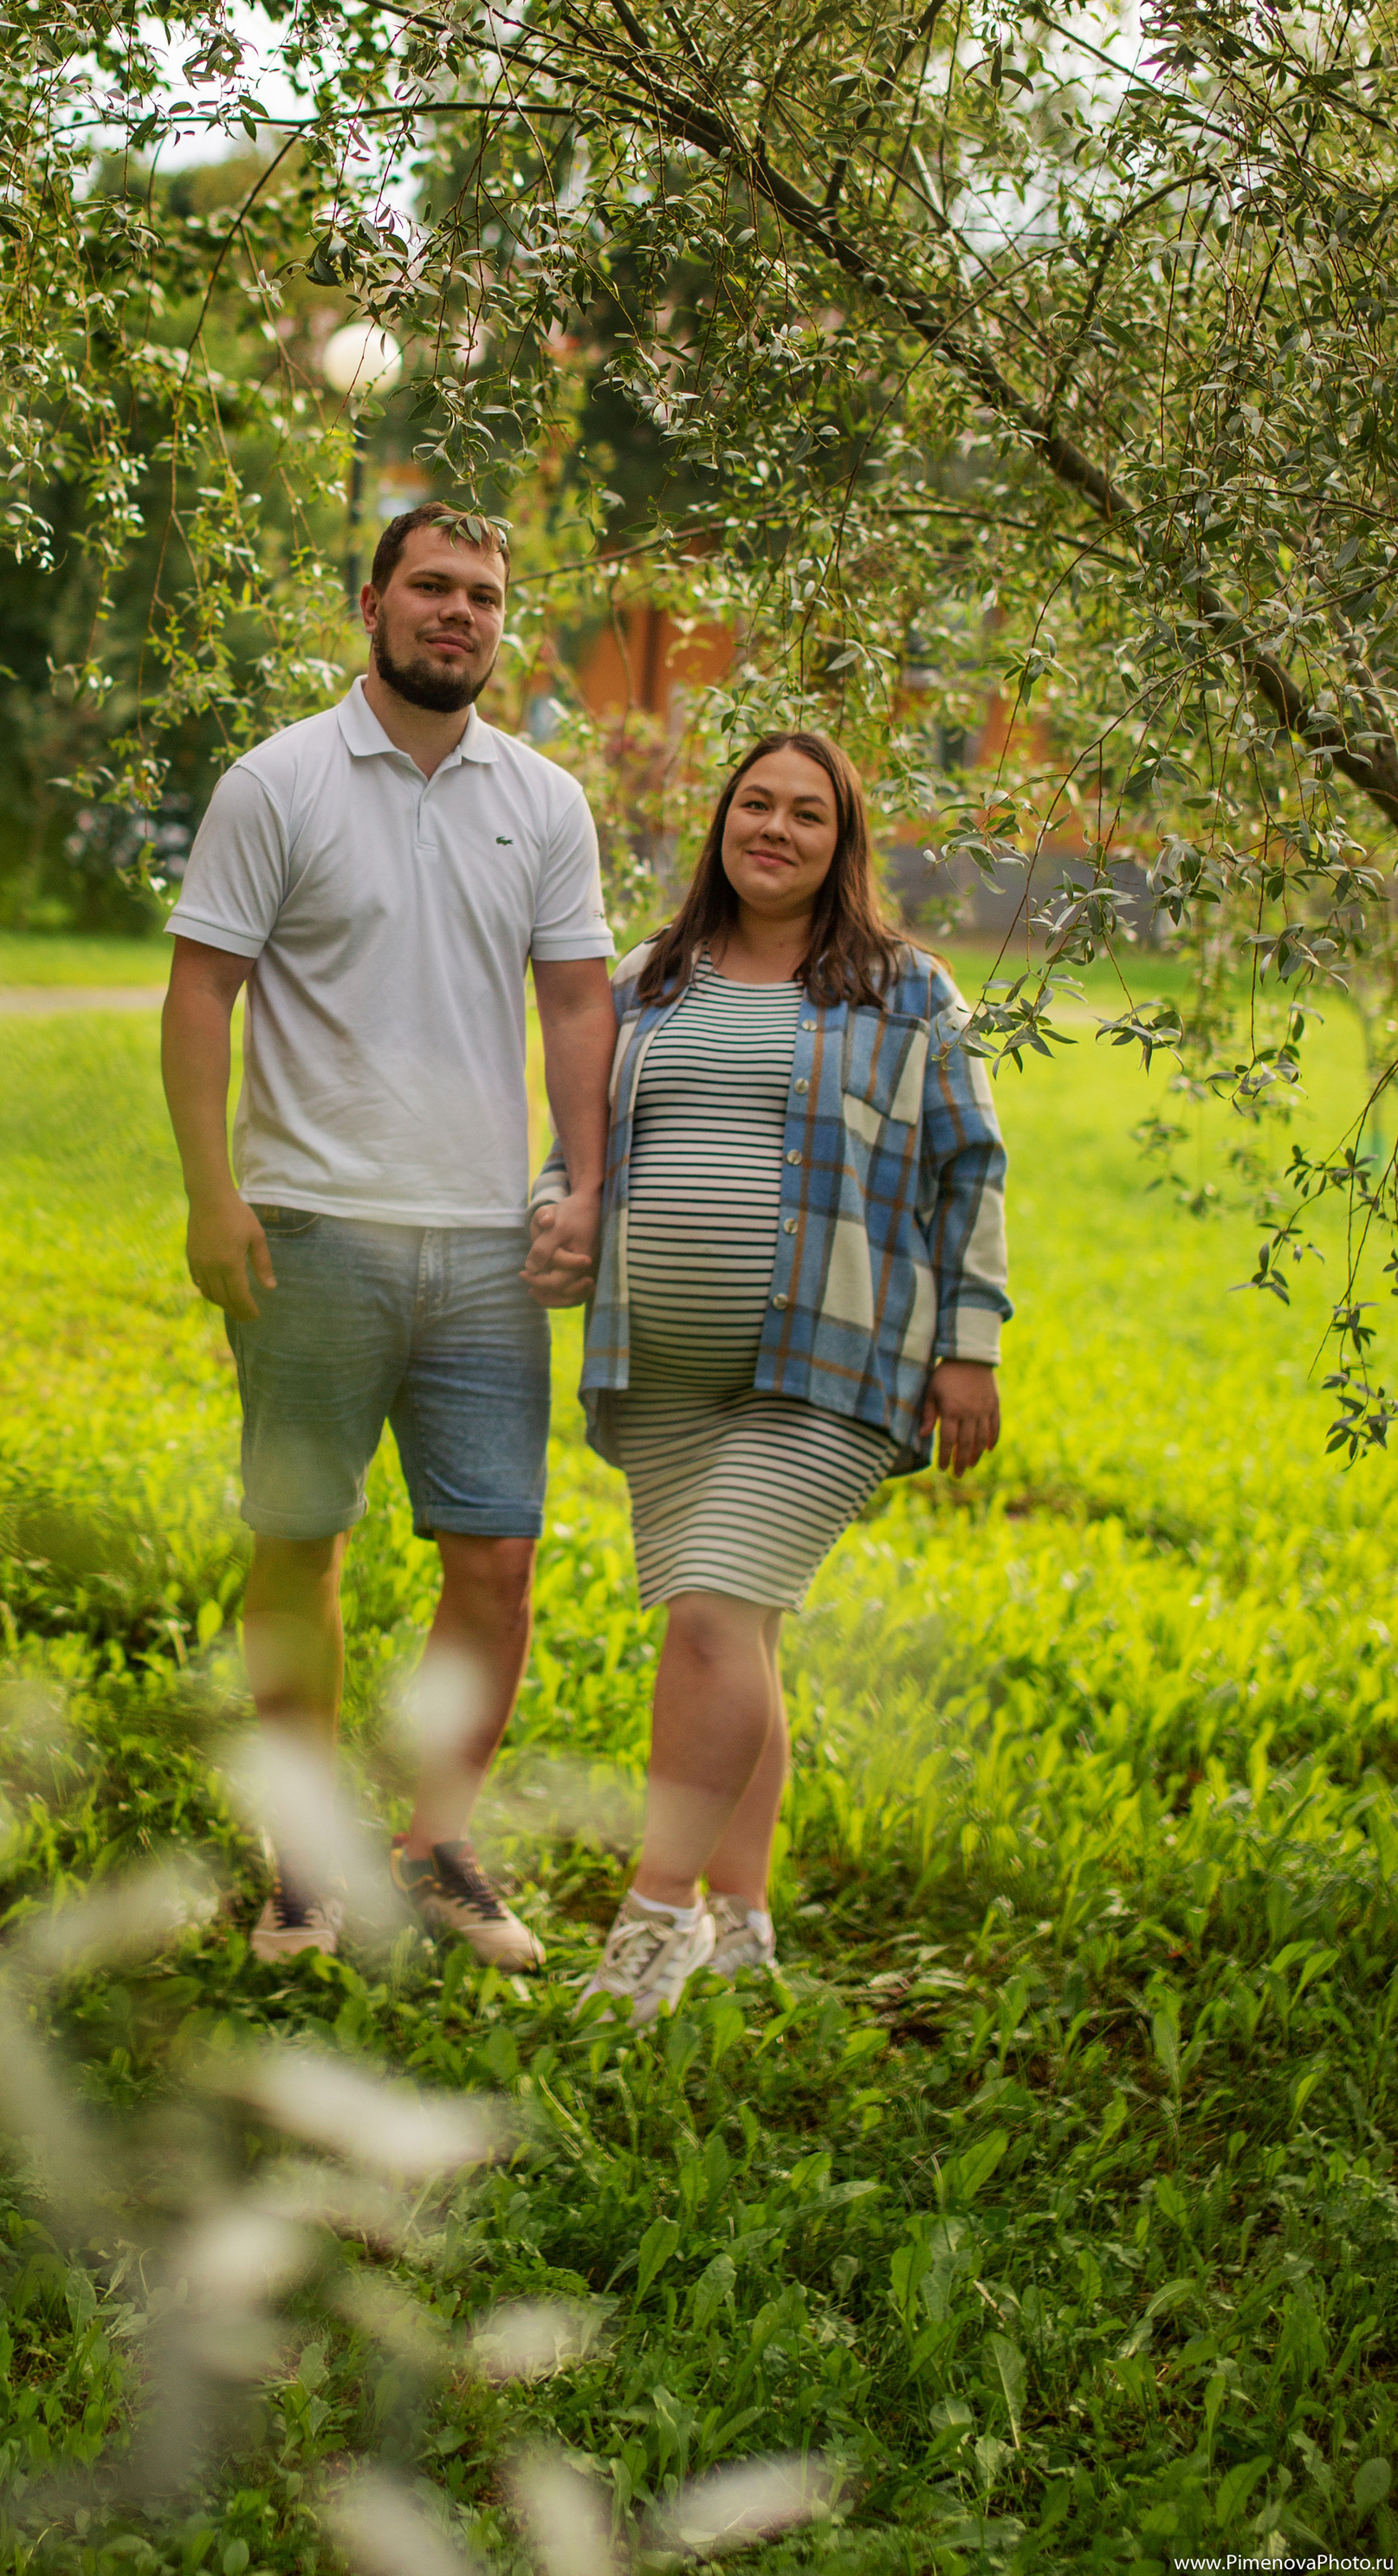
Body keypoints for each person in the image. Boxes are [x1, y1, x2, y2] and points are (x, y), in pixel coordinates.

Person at [161, 501, 618, 1966]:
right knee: (301, 1542)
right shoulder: (277, 783)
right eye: (432, 587)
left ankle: (435, 1846)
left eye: (483, 596)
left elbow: (575, 1010)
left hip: (489, 1244)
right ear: (372, 603)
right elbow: (199, 997)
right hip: (311, 1235)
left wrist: (586, 1189)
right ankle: (304, 1859)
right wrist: (210, 1195)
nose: (459, 615)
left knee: (495, 1560)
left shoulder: (544, 799)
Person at [525, 728, 1009, 2023]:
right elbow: (583, 1143)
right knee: (737, 1633)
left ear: (841, 843)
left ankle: (654, 1921)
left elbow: (973, 1170)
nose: (776, 830)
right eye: (756, 804)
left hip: (833, 1359)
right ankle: (742, 1924)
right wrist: (558, 1216)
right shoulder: (650, 975)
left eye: (808, 813)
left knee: (706, 1620)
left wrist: (971, 1345)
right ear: (722, 822)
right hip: (664, 1366)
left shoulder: (907, 990)